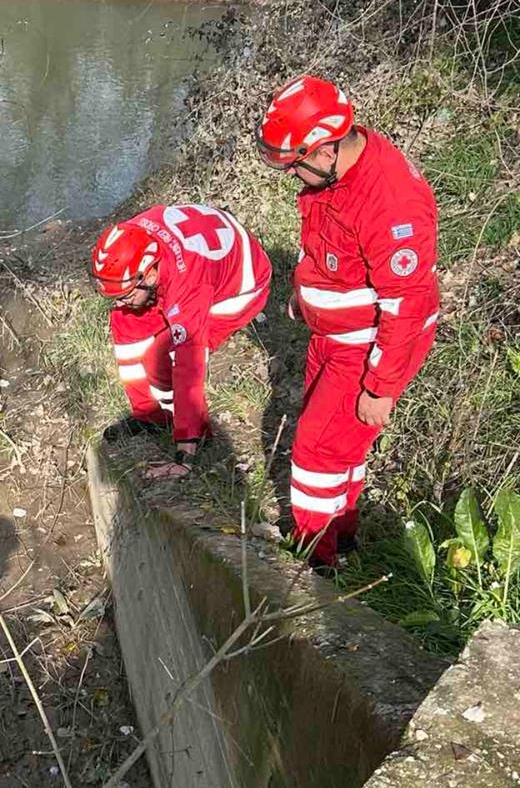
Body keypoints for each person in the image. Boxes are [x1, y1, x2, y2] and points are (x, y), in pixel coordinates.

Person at [257, 75, 439, 568]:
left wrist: (380, 386)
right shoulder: (337, 173)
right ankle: (343, 534)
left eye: (297, 166)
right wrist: (305, 296)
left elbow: (407, 303)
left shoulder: (391, 203)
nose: (295, 177)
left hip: (369, 343)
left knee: (316, 449)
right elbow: (325, 245)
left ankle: (316, 560)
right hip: (335, 333)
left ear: (323, 150)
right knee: (341, 445)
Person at [89, 203, 272, 477]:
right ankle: (151, 416)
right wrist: (145, 410)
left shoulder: (189, 284)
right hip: (187, 270)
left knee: (163, 358)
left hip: (239, 287)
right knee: (126, 324)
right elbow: (127, 336)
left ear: (149, 274)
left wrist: (184, 454)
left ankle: (198, 434)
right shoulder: (135, 245)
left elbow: (190, 367)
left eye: (125, 294)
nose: (120, 301)